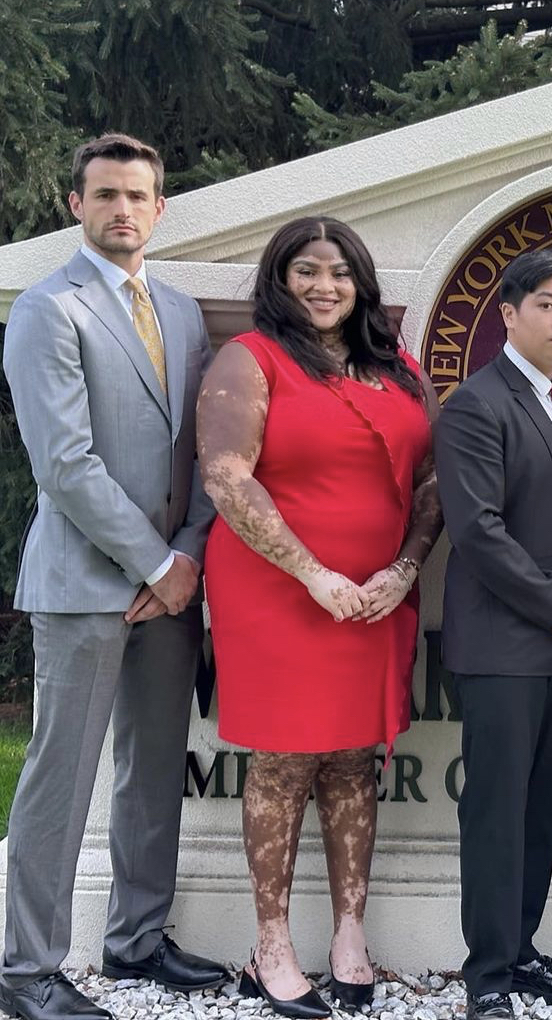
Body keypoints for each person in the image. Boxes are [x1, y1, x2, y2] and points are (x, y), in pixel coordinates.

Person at [0, 133, 229, 1020]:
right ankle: (26, 973)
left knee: (151, 769)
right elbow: (65, 465)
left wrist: (192, 556)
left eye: (138, 196)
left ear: (160, 207)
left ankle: (136, 940)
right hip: (86, 585)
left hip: (171, 584)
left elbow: (211, 453)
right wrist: (159, 562)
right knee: (62, 777)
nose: (122, 211)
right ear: (77, 206)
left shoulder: (177, 312)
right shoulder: (46, 312)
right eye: (105, 196)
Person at [196, 216, 441, 1018]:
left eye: (339, 271)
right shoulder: (251, 359)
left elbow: (434, 484)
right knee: (282, 762)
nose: (324, 285)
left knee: (350, 759)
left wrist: (405, 570)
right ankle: (271, 946)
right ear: (280, 278)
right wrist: (310, 572)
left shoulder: (397, 366)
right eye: (306, 270)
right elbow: (228, 477)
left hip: (376, 598)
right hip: (279, 592)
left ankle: (348, 935)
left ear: (361, 281)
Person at [433, 248, 552, 1020]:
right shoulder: (478, 404)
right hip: (504, 646)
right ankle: (488, 976)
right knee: (498, 812)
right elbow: (477, 531)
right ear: (509, 315)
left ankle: (522, 948)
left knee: (541, 808)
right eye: (548, 305)